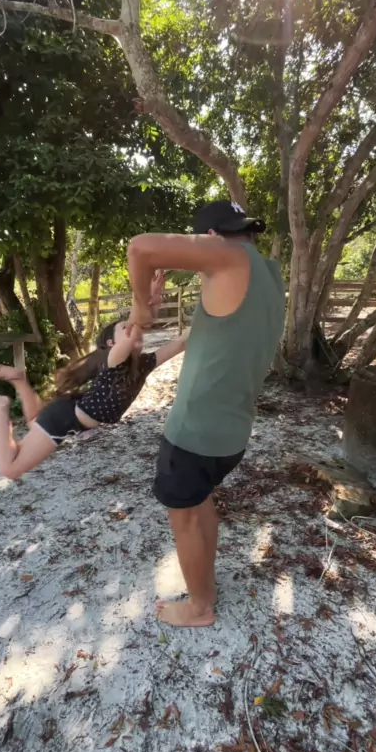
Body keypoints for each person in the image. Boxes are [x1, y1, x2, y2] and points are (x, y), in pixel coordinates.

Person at [127, 200, 286, 627]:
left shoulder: (228, 257)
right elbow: (216, 332)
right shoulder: (269, 275)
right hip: (231, 432)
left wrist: (141, 307)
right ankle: (206, 589)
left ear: (211, 238)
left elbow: (140, 248)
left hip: (194, 431)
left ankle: (199, 608)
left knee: (185, 517)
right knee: (200, 505)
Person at [0, 272, 188, 480]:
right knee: (10, 470)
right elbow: (135, 329)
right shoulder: (115, 361)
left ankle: (19, 381)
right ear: (111, 343)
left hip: (67, 416)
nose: (132, 330)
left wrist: (206, 316)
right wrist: (149, 297)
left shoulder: (144, 364)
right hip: (63, 419)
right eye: (125, 327)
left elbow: (180, 343)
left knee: (35, 422)